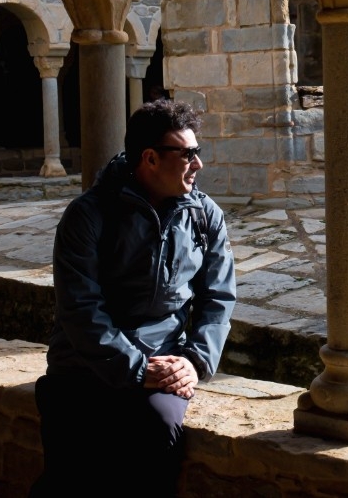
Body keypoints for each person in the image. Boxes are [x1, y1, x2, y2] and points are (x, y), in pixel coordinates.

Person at [32, 99, 236, 497]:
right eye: (188, 154)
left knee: (158, 429)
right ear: (150, 158)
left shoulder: (204, 216)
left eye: (198, 152)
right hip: (84, 366)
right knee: (69, 470)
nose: (198, 164)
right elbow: (81, 310)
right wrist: (137, 368)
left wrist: (195, 362)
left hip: (165, 361)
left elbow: (218, 298)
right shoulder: (88, 216)